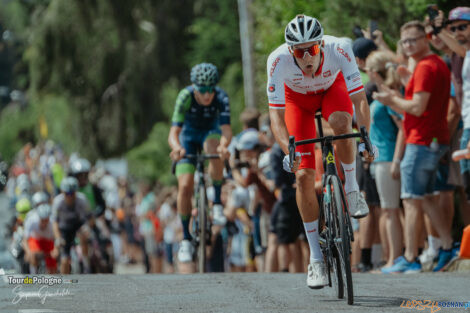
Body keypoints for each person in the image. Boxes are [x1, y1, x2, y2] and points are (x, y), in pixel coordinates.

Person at [267, 14, 376, 288]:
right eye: (299, 52)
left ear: (321, 45)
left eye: (312, 49)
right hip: (297, 102)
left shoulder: (338, 48)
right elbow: (276, 118)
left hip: (331, 90)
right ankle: (316, 258)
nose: (306, 57)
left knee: (342, 123)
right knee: (303, 176)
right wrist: (287, 151)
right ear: (290, 50)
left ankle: (351, 189)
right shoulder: (277, 60)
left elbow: (360, 100)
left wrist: (365, 138)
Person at [373, 21, 453, 273]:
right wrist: (396, 96)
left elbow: (417, 108)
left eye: (413, 40)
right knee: (426, 198)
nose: (408, 46)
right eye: (404, 41)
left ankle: (408, 257)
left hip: (422, 141)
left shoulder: (427, 67)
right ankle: (447, 246)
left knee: (410, 200)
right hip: (431, 138)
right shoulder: (433, 64)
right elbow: (416, 110)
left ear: (426, 39)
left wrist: (391, 99)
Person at [168, 63, 232, 264]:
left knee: (214, 149)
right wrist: (177, 148)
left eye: (210, 89)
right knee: (185, 186)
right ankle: (186, 240)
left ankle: (217, 205)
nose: (207, 95)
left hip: (210, 132)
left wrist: (224, 145)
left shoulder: (221, 97)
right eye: (202, 90)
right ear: (194, 87)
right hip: (188, 136)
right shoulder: (184, 96)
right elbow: (173, 133)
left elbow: (226, 130)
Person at [365, 50, 405, 271]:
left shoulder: (388, 93)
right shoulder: (383, 92)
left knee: (391, 210)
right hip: (382, 158)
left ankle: (394, 259)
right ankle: (394, 258)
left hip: (389, 157)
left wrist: (397, 160)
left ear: (373, 71)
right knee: (389, 210)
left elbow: (402, 128)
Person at [51, 177, 90, 274]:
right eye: (67, 193)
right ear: (62, 192)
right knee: (64, 260)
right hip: (64, 229)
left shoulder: (82, 199)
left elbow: (90, 217)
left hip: (78, 226)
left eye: (72, 193)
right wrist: (58, 238)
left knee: (84, 237)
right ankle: (65, 282)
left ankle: (86, 265)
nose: (70, 196)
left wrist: (88, 227)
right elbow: (54, 222)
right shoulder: (57, 202)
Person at [23, 204, 58, 274]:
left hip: (48, 241)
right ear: (39, 217)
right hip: (36, 240)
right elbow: (25, 240)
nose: (44, 223)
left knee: (53, 265)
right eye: (42, 220)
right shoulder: (31, 221)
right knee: (32, 255)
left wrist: (56, 249)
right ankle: (34, 275)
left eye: (46, 220)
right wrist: (28, 252)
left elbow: (57, 238)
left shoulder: (52, 222)